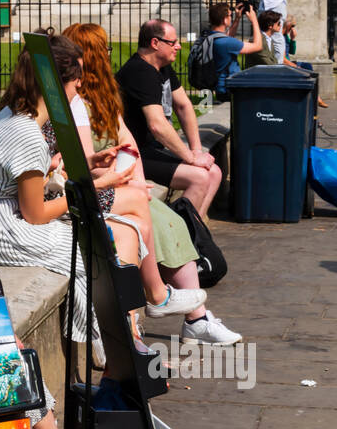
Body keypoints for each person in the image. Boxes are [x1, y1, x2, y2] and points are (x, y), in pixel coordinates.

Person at [0, 35, 154, 429]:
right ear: (61, 84)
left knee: (102, 244)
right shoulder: (25, 132)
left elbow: (39, 191)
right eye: (75, 83)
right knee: (90, 249)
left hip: (7, 217)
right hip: (3, 229)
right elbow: (35, 214)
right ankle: (113, 349)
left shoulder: (17, 120)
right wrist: (99, 185)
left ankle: (118, 346)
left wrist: (81, 177)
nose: (78, 92)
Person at [64, 22, 241, 347]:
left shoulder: (105, 93)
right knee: (163, 220)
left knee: (171, 219)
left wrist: (138, 180)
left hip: (121, 183)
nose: (107, 54)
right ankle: (184, 315)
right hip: (101, 189)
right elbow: (87, 162)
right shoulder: (78, 100)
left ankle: (195, 317)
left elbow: (128, 142)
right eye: (102, 49)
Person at [117, 20, 222, 220]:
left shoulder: (162, 67)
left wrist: (197, 150)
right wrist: (191, 159)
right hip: (134, 155)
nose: (179, 46)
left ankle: (195, 235)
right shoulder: (140, 72)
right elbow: (157, 126)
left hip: (152, 150)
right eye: (173, 42)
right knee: (199, 177)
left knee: (214, 172)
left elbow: (183, 106)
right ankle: (181, 238)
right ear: (155, 43)